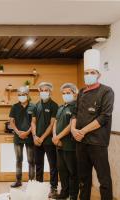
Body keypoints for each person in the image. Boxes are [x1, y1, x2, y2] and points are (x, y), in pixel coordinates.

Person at [71, 49, 114, 200]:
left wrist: (82, 131)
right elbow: (75, 113)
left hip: (98, 142)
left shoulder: (107, 91)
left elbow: (104, 117)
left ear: (98, 75)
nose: (88, 75)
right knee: (83, 178)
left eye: (92, 72)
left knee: (104, 179)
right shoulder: (81, 92)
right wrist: (73, 130)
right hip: (80, 142)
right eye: (86, 73)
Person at [31, 81, 59, 198]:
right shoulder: (36, 105)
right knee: (38, 164)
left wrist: (42, 137)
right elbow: (33, 122)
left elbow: (52, 124)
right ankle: (39, 185)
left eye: (46, 90)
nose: (43, 92)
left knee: (53, 164)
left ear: (50, 91)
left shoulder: (54, 105)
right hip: (37, 141)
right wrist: (34, 136)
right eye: (41, 90)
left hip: (48, 141)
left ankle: (53, 188)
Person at [52, 83, 79, 200]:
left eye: (68, 93)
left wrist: (58, 137)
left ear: (74, 93)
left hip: (70, 145)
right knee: (62, 170)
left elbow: (71, 126)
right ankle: (64, 193)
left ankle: (73, 195)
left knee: (72, 172)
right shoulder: (61, 107)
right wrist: (54, 136)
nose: (65, 95)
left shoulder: (76, 107)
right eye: (63, 93)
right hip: (58, 145)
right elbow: (56, 122)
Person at [9, 86, 35, 188]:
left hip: (29, 137)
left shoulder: (33, 107)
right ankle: (18, 181)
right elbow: (11, 121)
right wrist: (18, 132)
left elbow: (34, 122)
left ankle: (32, 182)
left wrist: (27, 132)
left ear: (28, 95)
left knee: (31, 161)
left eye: (23, 94)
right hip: (17, 138)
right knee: (18, 160)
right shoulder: (14, 107)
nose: (21, 96)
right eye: (19, 95)